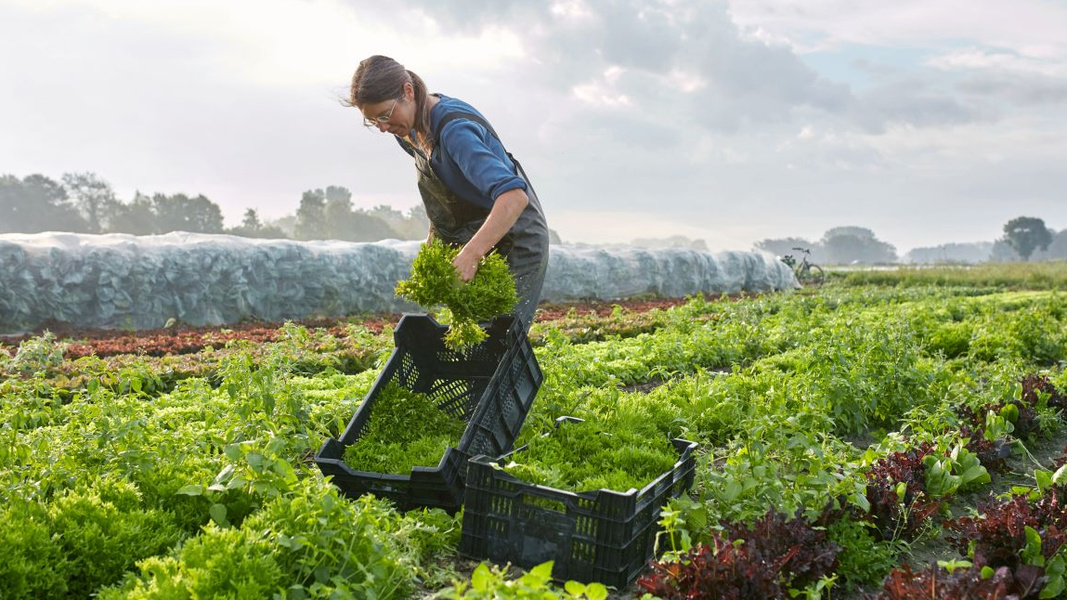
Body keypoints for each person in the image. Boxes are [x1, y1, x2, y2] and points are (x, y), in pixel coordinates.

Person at [347, 55, 549, 333]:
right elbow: (442, 187)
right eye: (373, 121)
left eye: (384, 115)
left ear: (408, 91)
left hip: (517, 236)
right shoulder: (407, 130)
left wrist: (472, 254)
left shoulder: (455, 132)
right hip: (477, 235)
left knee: (498, 340)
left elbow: (514, 197)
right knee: (469, 337)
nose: (382, 127)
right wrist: (435, 236)